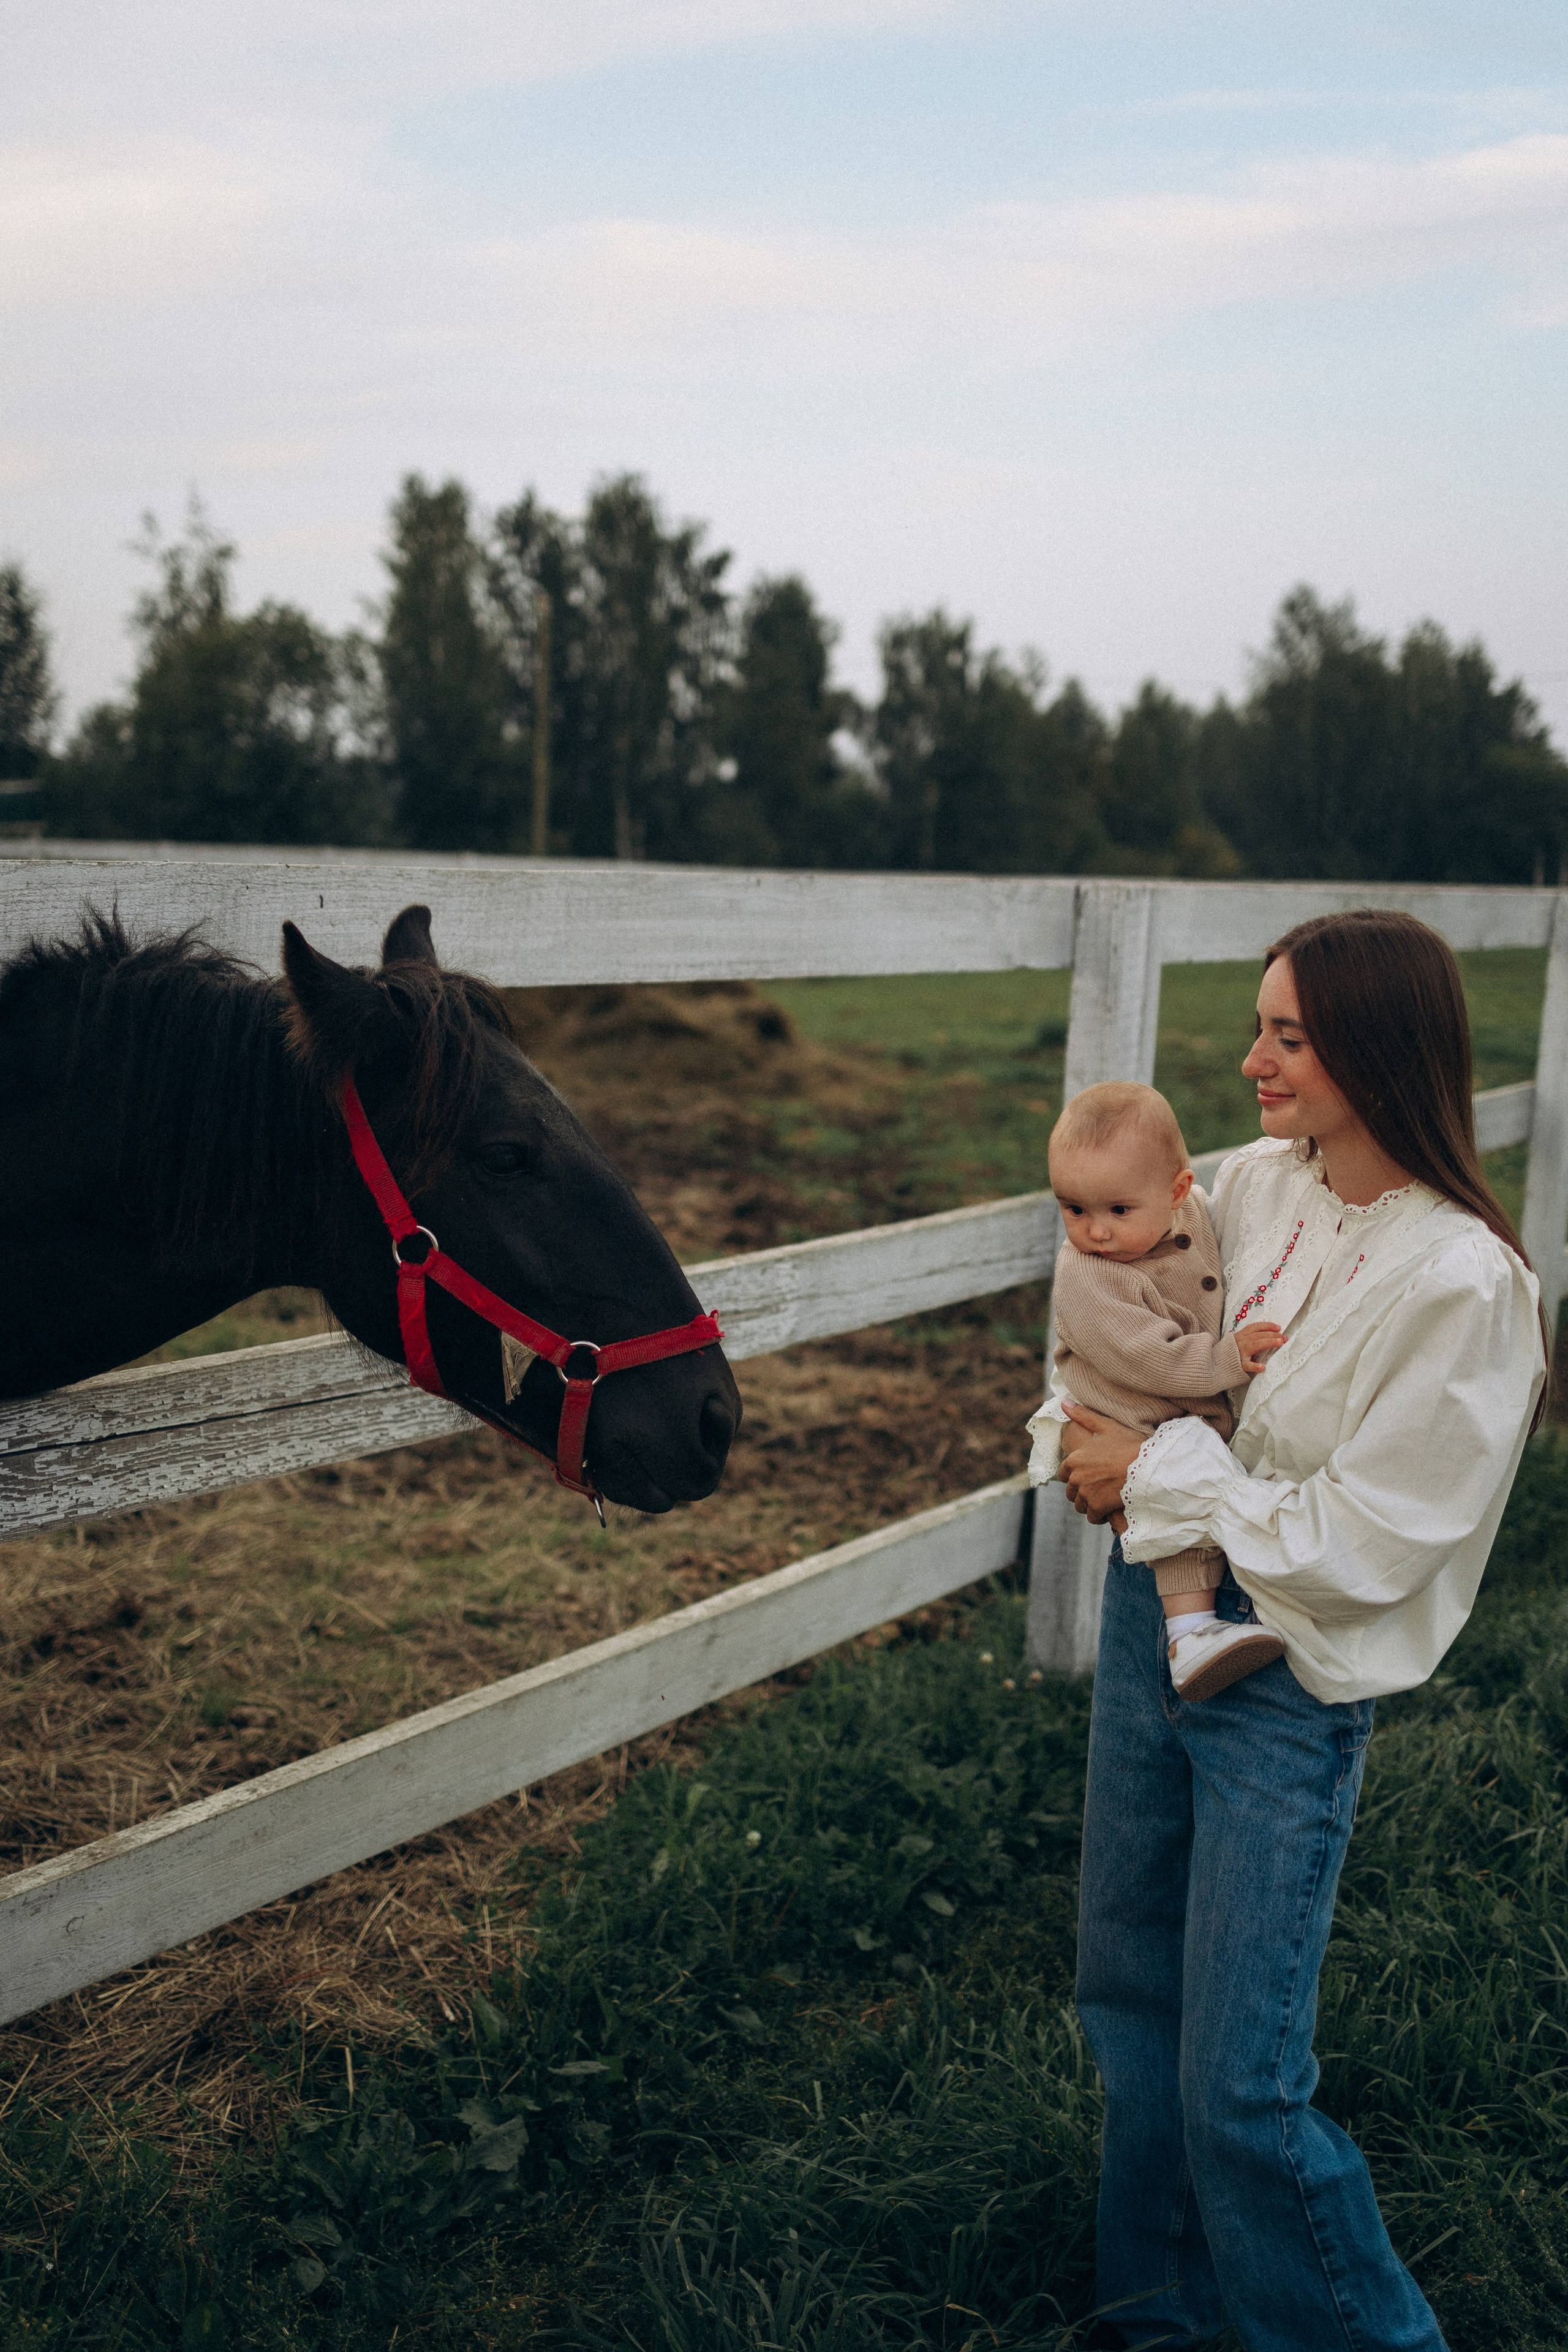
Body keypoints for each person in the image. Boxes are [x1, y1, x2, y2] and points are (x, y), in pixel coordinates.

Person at [1055, 910, 1547, 2351]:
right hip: (1151, 1626)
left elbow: (1363, 1543)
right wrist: (1072, 1435)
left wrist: (1140, 1468)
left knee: (1239, 2083)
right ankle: (1156, 2315)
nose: (1250, 1059)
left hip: (1285, 1675)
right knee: (1127, 1989)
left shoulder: (1462, 1286)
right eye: (1257, 1025)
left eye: (1284, 1033)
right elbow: (1110, 1308)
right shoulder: (1252, 1185)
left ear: (1376, 1049)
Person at [1026, 1079, 1288, 1698]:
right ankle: (1190, 1634)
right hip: (1128, 1406)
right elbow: (1150, 1359)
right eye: (1073, 1208)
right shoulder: (1088, 1276)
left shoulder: (1192, 1208)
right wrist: (1224, 1359)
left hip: (1171, 1400)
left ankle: (1191, 1628)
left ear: (1175, 1192)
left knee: (1183, 1471)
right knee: (1170, 1489)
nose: (1094, 1231)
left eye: (1118, 1210)